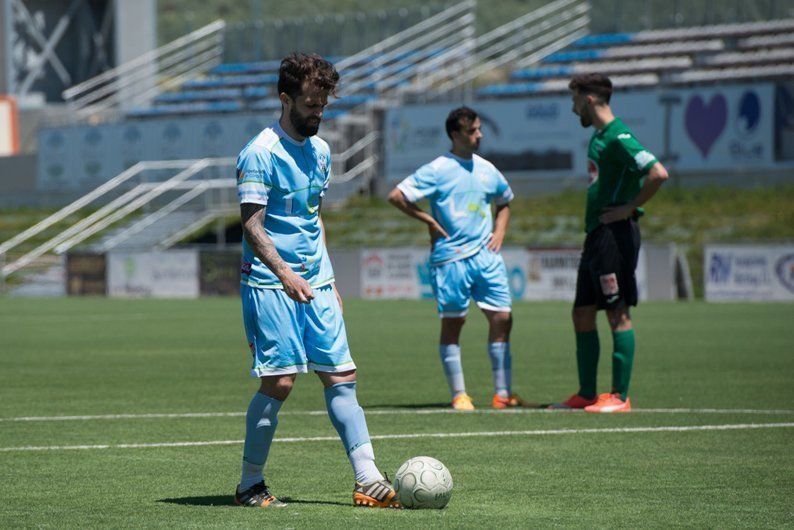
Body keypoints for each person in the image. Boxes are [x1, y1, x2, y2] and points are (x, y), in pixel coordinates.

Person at [234, 52, 399, 509]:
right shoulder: (260, 153)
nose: (318, 112)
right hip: (271, 284)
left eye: (323, 103)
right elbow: (251, 226)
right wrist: (285, 273)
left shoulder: (323, 151)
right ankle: (250, 484)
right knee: (281, 383)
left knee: (342, 376)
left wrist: (328, 280)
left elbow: (313, 217)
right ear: (285, 98)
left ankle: (368, 478)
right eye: (310, 103)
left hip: (317, 283)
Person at [387, 106, 528, 411]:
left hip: (486, 257)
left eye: (479, 130)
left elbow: (505, 202)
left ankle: (502, 394)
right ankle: (459, 395)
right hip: (450, 259)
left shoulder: (488, 169)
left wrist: (500, 232)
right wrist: (429, 221)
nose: (479, 135)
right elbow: (396, 196)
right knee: (454, 324)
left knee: (503, 318)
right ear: (455, 134)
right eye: (472, 131)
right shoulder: (437, 169)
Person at [551, 73, 668, 413]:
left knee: (617, 313)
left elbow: (658, 173)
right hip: (597, 235)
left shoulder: (619, 136)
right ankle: (587, 394)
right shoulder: (600, 137)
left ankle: (619, 397)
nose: (574, 110)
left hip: (615, 237)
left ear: (589, 99)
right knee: (582, 313)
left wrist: (629, 208)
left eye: (575, 102)